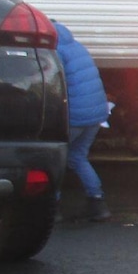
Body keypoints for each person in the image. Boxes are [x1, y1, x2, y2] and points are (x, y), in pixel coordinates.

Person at [54, 21, 111, 222]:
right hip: (95, 114)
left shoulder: (55, 51)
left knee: (55, 160)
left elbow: (53, 82)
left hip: (75, 116)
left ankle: (53, 209)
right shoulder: (77, 47)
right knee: (78, 157)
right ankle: (97, 204)